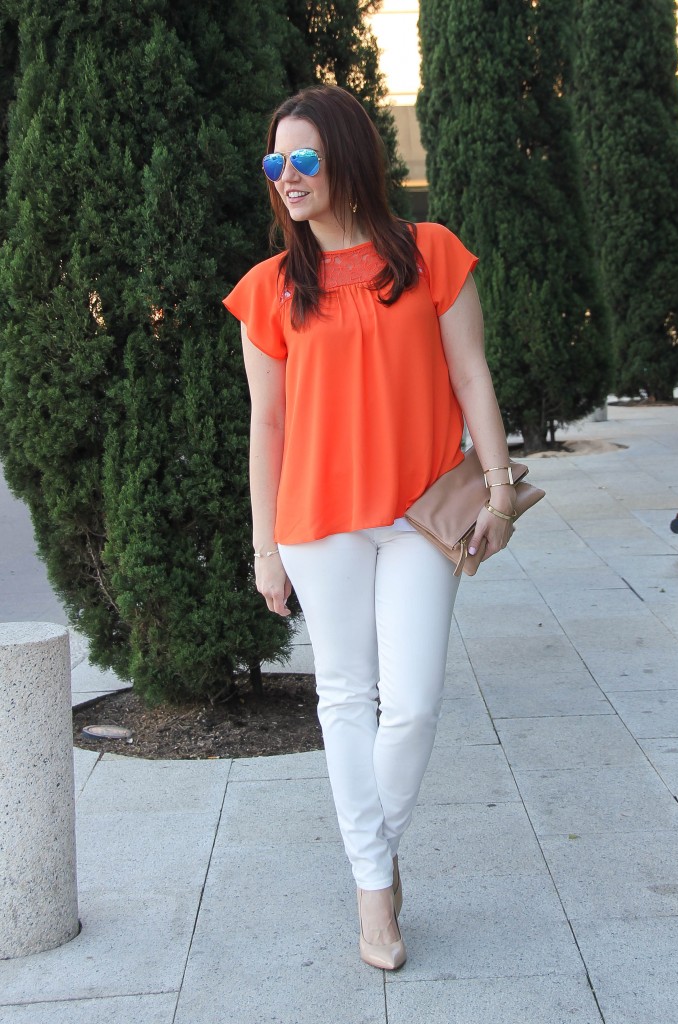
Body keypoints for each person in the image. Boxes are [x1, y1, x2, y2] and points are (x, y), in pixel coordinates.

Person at [223, 85, 516, 971]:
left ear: (348, 159)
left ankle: (372, 856)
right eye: (276, 164)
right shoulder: (271, 289)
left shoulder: (430, 255)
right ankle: (374, 892)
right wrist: (265, 548)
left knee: (415, 703)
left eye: (304, 158)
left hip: (421, 514)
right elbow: (265, 425)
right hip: (316, 522)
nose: (288, 177)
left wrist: (499, 491)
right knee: (346, 699)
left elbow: (473, 376)